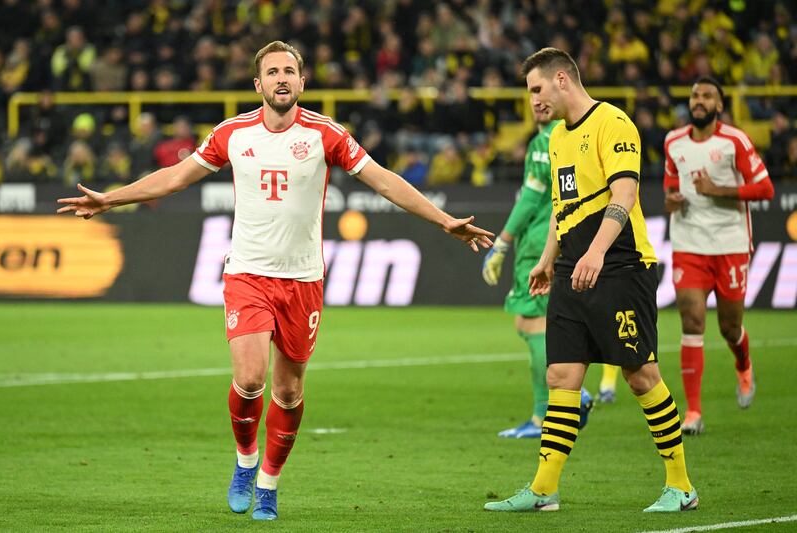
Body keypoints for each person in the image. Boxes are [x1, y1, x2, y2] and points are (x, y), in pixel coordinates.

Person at [57, 40, 494, 522]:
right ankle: (245, 463)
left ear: (302, 82)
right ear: (258, 84)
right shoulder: (233, 133)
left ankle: (269, 481)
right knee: (249, 379)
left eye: (290, 71)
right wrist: (110, 199)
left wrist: (442, 219)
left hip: (303, 280)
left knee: (287, 393)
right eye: (273, 72)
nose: (282, 78)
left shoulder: (326, 134)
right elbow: (176, 177)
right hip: (247, 272)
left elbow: (385, 181)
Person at [484, 47, 697, 514]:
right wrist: (545, 260)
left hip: (620, 265)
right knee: (561, 375)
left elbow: (624, 193)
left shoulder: (613, 124)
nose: (533, 101)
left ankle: (681, 485)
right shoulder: (557, 138)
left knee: (641, 375)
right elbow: (565, 210)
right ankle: (543, 490)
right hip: (571, 269)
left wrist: (598, 252)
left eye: (537, 89)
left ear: (562, 79)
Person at [663, 76, 775, 435]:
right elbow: (669, 185)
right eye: (695, 94)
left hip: (730, 245)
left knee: (729, 327)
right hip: (688, 243)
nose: (699, 100)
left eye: (707, 96)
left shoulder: (734, 140)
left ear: (719, 105)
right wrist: (671, 200)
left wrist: (718, 190)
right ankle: (693, 412)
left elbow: (765, 188)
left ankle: (743, 365)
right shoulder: (673, 142)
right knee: (692, 322)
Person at [481, 107, 593, 439]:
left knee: (533, 324)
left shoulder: (546, 140)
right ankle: (569, 397)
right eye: (531, 92)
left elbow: (530, 199)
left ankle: (548, 412)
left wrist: (502, 242)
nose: (536, 101)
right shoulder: (575, 135)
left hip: (539, 245)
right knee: (538, 323)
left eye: (541, 91)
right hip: (565, 239)